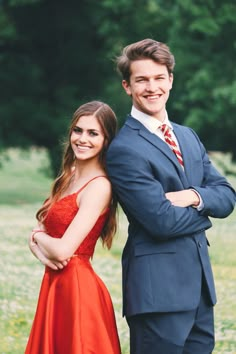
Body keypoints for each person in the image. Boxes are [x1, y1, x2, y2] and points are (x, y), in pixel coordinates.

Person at [106, 38, 236, 354]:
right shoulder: (124, 150)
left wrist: (193, 196)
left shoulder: (187, 136)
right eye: (142, 80)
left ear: (171, 80)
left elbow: (227, 196)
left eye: (159, 78)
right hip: (157, 294)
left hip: (200, 291)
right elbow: (161, 221)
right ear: (127, 86)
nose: (152, 87)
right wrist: (206, 211)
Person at [25, 101, 121, 354]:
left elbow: (63, 250)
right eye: (78, 130)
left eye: (93, 133)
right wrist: (37, 242)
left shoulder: (100, 186)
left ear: (107, 140)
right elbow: (45, 228)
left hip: (78, 292)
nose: (82, 139)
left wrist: (35, 237)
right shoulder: (69, 173)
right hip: (55, 285)